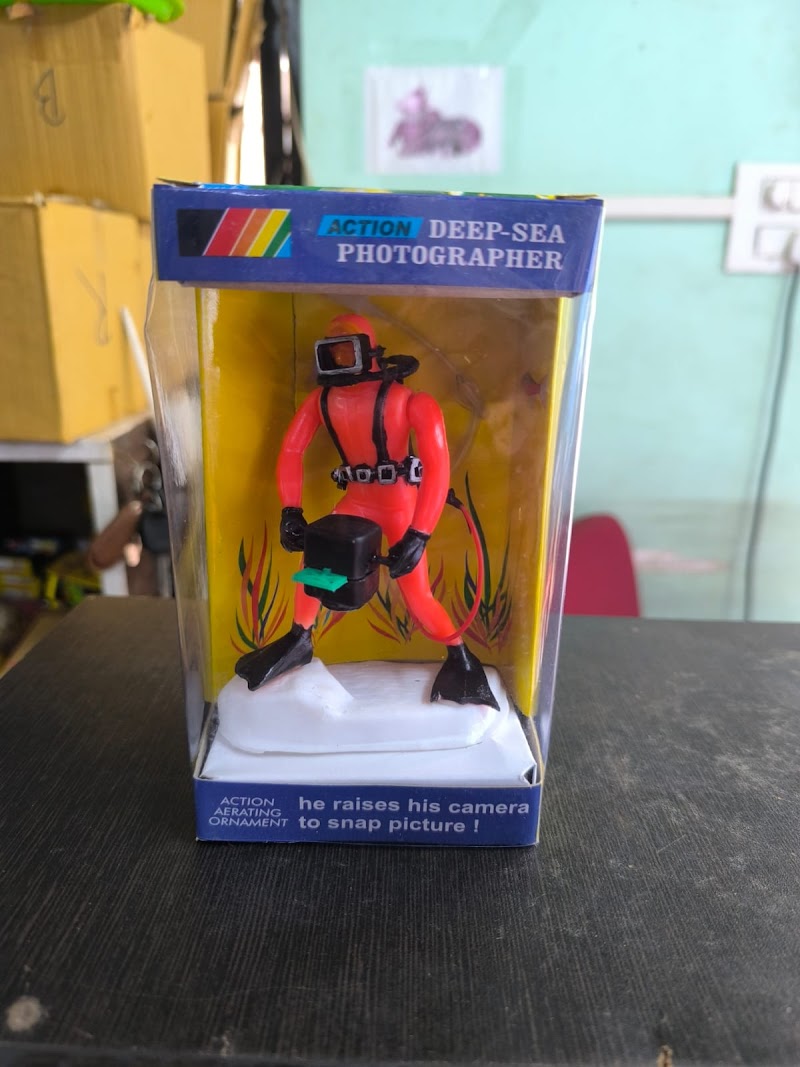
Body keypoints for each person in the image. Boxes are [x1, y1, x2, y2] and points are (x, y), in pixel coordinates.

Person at [235, 312, 498, 711]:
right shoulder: (323, 401)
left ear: (369, 351)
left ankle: (460, 658)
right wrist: (291, 509)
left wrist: (420, 533)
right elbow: (291, 451)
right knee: (314, 568)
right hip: (356, 501)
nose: (339, 358)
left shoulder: (412, 402)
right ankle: (299, 639)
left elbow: (438, 467)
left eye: (347, 350)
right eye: (332, 351)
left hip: (401, 505)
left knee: (416, 591)